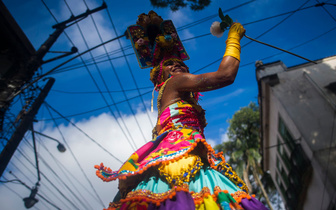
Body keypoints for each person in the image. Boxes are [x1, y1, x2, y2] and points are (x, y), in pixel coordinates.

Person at [95, 11, 268, 210]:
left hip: (186, 153)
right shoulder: (174, 83)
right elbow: (225, 76)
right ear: (159, 74)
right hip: (181, 155)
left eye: (181, 64)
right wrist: (234, 38)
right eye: (169, 64)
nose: (177, 64)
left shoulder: (175, 94)